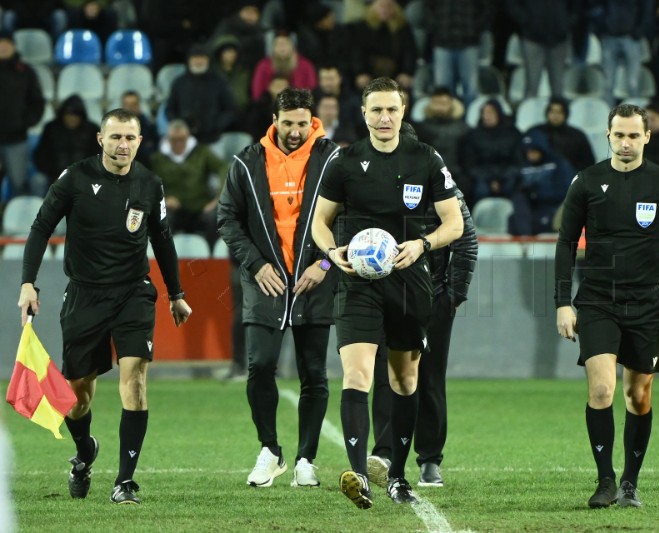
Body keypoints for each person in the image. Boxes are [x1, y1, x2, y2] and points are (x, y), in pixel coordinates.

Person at [17, 108, 192, 505]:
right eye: (115, 137)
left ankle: (125, 481)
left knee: (135, 381)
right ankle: (83, 454)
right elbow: (41, 227)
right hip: (85, 295)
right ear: (100, 139)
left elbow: (162, 240)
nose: (122, 145)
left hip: (133, 293)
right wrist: (28, 282)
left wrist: (176, 294)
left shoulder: (149, 184)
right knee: (78, 396)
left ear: (140, 141)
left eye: (130, 138)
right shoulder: (75, 178)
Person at [311, 77, 464, 508]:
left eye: (391, 110)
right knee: (357, 374)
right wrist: (331, 252)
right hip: (358, 281)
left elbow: (454, 223)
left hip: (409, 281)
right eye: (376, 110)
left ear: (403, 111)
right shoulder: (344, 161)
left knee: (404, 378)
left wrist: (422, 244)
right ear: (363, 113)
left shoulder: (426, 159)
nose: (384, 118)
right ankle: (359, 473)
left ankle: (396, 474)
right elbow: (320, 222)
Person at [555, 103, 659, 509]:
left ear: (647, 137)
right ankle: (605, 481)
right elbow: (565, 243)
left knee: (638, 396)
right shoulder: (586, 182)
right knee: (602, 389)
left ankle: (630, 483)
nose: (626, 142)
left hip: (648, 303)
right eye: (619, 135)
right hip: (598, 300)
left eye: (634, 135)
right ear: (608, 135)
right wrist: (562, 302)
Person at [217, 88, 340, 489]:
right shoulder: (247, 162)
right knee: (260, 366)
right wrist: (255, 263)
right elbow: (227, 219)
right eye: (287, 123)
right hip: (264, 280)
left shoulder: (333, 159)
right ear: (275, 119)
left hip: (313, 279)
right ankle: (270, 451)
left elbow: (351, 216)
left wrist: (325, 263)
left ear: (312, 121)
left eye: (302, 123)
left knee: (314, 374)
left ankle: (306, 459)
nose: (294, 131)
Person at [367, 121, 478, 488]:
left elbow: (466, 239)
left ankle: (429, 459)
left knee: (429, 377)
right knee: (386, 375)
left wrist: (452, 296)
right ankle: (383, 453)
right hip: (386, 296)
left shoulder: (436, 181)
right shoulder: (371, 186)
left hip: (432, 298)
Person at [150, 119, 228, 244]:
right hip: (173, 207)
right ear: (168, 139)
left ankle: (212, 256)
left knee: (216, 217)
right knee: (162, 217)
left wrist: (218, 197)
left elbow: (223, 168)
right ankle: (166, 257)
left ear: (187, 137)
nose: (178, 143)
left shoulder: (202, 152)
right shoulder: (157, 159)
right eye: (174, 140)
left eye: (182, 139)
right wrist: (163, 199)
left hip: (202, 205)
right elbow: (149, 184)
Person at [0, 29, 44, 201]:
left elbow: (37, 101)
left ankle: (15, 221)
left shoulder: (25, 72)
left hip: (16, 139)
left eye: (7, 43)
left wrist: (26, 122)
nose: (3, 47)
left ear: (13, 46)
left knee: (18, 184)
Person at [165, 44, 236, 143]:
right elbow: (170, 109)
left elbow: (230, 109)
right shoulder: (179, 83)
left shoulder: (219, 82)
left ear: (208, 60)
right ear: (189, 60)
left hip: (213, 139)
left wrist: (216, 125)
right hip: (184, 141)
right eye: (195, 58)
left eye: (202, 57)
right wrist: (180, 125)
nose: (198, 61)